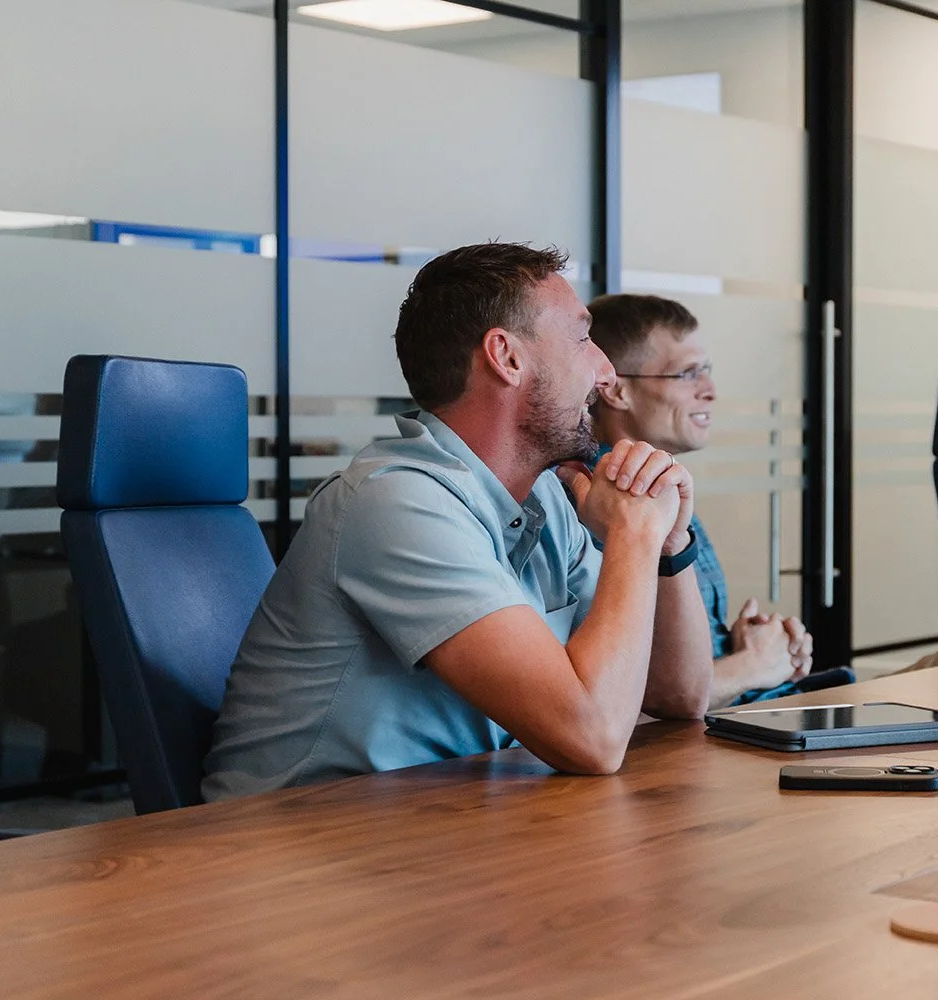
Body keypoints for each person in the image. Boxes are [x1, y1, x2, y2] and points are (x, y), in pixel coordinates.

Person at [202, 244, 713, 801]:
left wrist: (669, 542)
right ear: (506, 357)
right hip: (292, 849)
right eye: (582, 337)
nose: (606, 370)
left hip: (447, 822)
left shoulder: (545, 497)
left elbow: (680, 697)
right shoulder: (396, 503)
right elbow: (592, 737)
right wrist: (634, 532)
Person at [586, 293, 938, 704]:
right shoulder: (605, 504)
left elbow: (679, 656)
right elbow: (641, 697)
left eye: (708, 370)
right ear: (616, 389)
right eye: (687, 373)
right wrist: (754, 665)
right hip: (736, 730)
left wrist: (755, 644)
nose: (710, 389)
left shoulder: (664, 487)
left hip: (779, 703)